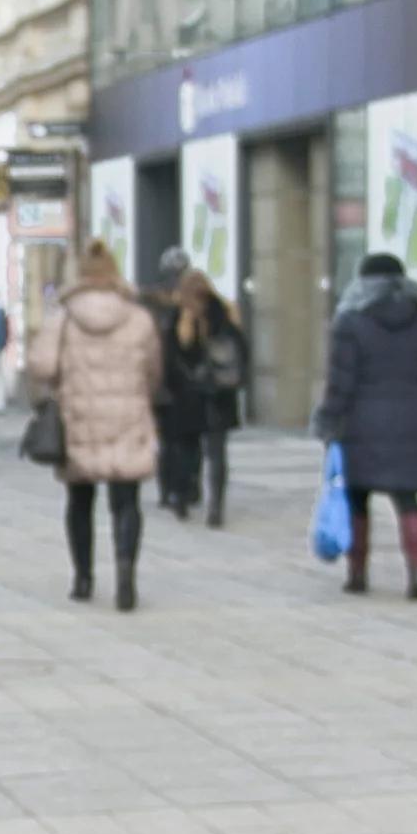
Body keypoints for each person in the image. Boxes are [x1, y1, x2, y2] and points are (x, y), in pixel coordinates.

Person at [26, 242, 163, 611]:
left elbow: (41, 366)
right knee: (126, 500)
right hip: (127, 417)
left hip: (80, 418)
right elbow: (153, 371)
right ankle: (125, 575)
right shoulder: (139, 318)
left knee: (80, 500)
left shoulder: (65, 319)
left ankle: (84, 578)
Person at [314, 252, 417, 599]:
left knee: (357, 498)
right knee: (408, 499)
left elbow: (341, 382)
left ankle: (358, 574)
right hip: (411, 420)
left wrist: (329, 420)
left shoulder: (350, 323)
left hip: (362, 422)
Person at [172, 270, 249, 527]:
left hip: (193, 393)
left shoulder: (183, 312)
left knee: (187, 448)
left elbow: (181, 347)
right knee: (217, 453)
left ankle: (184, 497)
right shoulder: (225, 310)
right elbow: (241, 348)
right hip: (221, 392)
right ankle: (215, 504)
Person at [144, 247, 203, 514]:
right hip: (188, 383)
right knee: (189, 440)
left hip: (165, 382)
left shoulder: (154, 302)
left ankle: (171, 489)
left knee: (170, 440)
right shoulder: (196, 302)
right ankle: (187, 487)